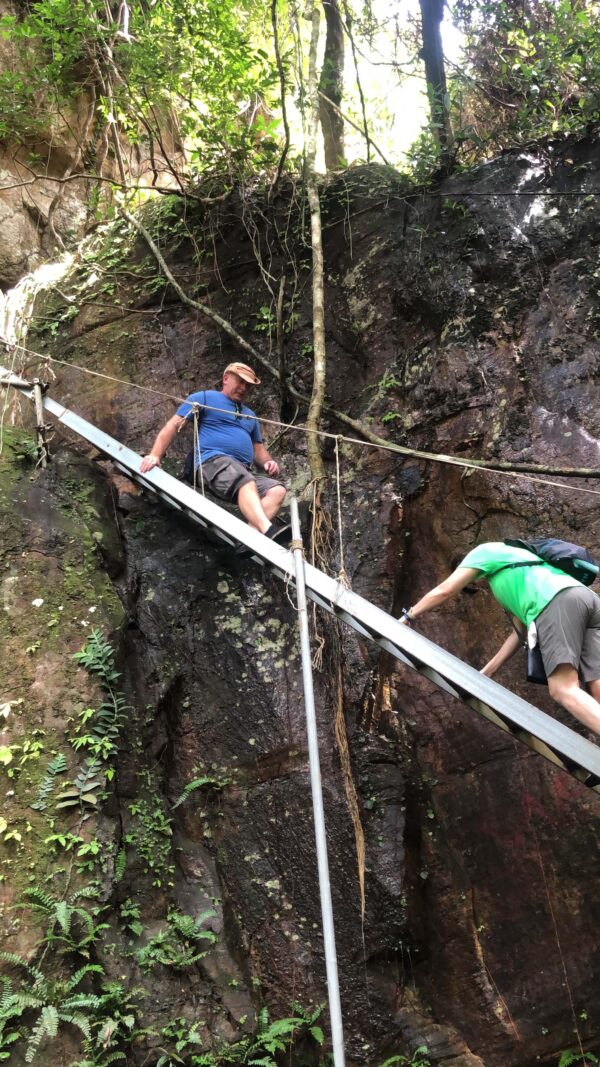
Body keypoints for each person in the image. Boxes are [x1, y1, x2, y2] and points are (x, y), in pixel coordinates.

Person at [399, 540, 600, 736]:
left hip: (556, 601)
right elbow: (518, 634)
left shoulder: (482, 553)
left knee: (563, 689)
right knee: (596, 680)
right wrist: (487, 673)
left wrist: (409, 616)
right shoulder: (515, 567)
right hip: (586, 599)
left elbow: (445, 590)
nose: (479, 586)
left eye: (472, 584)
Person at [140, 361, 290, 545]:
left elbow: (257, 448)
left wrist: (268, 462)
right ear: (226, 379)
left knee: (277, 490)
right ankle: (267, 530)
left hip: (240, 473)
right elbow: (173, 424)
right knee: (244, 479)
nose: (243, 388)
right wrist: (155, 454)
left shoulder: (250, 415)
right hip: (211, 463)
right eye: (240, 382)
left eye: (248, 385)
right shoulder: (204, 398)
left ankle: (248, 537)